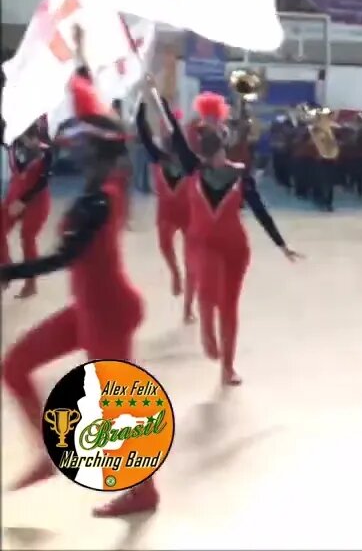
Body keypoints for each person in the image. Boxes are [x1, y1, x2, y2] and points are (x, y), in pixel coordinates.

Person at [0, 73, 159, 517]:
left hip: (109, 312)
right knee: (14, 366)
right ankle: (46, 456)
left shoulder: (102, 199)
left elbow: (66, 256)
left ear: (99, 152)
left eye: (83, 146)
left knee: (119, 409)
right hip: (91, 307)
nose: (75, 151)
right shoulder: (100, 190)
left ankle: (144, 491)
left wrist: (9, 271)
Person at [159, 87, 303, 386]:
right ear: (205, 153)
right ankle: (205, 328)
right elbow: (174, 135)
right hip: (203, 244)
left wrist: (281, 244)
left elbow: (260, 210)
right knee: (208, 291)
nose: (218, 156)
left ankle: (228, 366)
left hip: (235, 248)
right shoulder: (193, 169)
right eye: (213, 152)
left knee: (230, 307)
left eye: (221, 150)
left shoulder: (240, 175)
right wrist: (159, 99)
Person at [134, 99, 198, 321]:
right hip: (166, 215)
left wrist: (166, 109)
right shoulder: (157, 158)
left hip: (189, 217)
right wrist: (141, 104)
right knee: (164, 245)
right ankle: (174, 273)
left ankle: (188, 308)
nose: (170, 143)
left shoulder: (191, 163)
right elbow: (143, 133)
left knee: (193, 265)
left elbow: (178, 135)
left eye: (174, 140)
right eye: (167, 140)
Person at [1, 121, 53, 299]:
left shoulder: (44, 145)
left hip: (36, 199)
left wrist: (23, 201)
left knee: (27, 237)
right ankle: (5, 270)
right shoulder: (11, 138)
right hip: (14, 194)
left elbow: (44, 179)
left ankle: (31, 283)